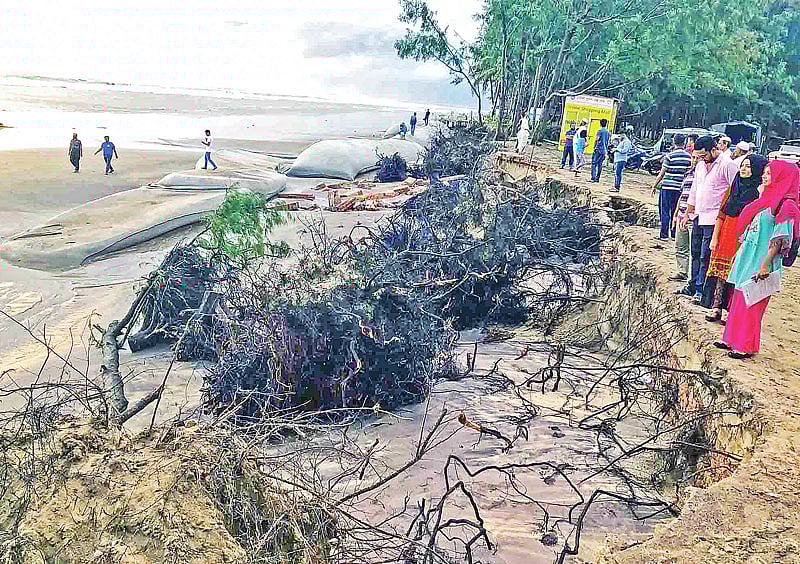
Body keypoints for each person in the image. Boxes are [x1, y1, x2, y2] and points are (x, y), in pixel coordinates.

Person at [715, 160, 800, 359]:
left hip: (762, 260)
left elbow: (780, 238)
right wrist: (739, 253)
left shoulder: (787, 205)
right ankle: (730, 339)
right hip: (749, 256)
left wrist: (765, 264)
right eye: (765, 172)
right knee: (738, 298)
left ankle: (745, 345)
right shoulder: (766, 198)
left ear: (783, 177)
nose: (765, 176)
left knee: (752, 303)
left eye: (770, 174)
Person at [701, 154, 769, 321]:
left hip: (743, 239)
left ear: (757, 170)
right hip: (725, 236)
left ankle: (730, 311)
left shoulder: (759, 193)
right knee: (720, 275)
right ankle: (716, 307)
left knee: (737, 273)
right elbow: (721, 214)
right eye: (743, 165)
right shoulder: (734, 187)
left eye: (748, 166)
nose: (744, 169)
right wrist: (715, 238)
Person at [677, 135, 740, 301]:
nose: (701, 159)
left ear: (714, 149)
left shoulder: (727, 165)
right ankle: (692, 285)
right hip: (698, 214)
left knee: (706, 255)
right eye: (698, 156)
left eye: (703, 155)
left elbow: (734, 191)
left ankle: (701, 290)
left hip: (714, 219)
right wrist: (687, 214)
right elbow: (694, 190)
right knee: (695, 252)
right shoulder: (700, 166)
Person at [651, 133, 691, 239]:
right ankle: (673, 234)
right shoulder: (689, 157)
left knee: (664, 210)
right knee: (675, 211)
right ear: (684, 143)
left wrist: (654, 186)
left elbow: (662, 173)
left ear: (674, 142)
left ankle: (664, 235)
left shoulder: (669, 156)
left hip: (667, 187)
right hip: (679, 189)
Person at [671, 151, 700, 282]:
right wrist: (676, 214)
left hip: (694, 216)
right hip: (682, 214)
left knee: (694, 249)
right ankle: (682, 271)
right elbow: (682, 195)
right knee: (680, 245)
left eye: (698, 158)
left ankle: (694, 278)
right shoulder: (687, 174)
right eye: (693, 157)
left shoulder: (703, 176)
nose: (695, 160)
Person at [611, 126, 634, 192]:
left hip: (621, 160)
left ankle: (617, 187)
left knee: (618, 174)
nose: (619, 137)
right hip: (618, 159)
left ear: (623, 134)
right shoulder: (622, 141)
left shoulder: (627, 142)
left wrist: (616, 149)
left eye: (620, 135)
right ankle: (615, 186)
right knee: (616, 173)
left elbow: (625, 150)